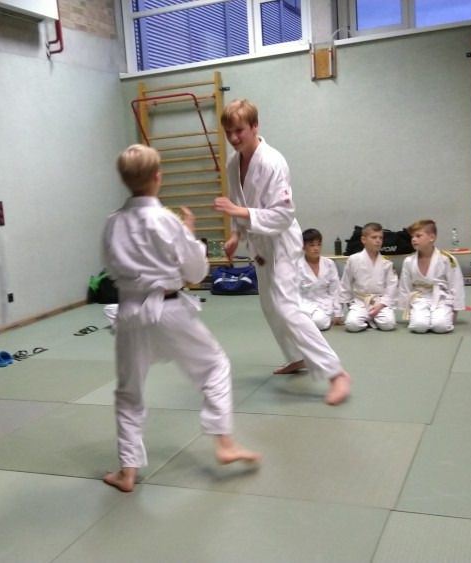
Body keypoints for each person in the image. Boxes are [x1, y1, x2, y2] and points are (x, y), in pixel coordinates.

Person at [101, 144, 260, 493]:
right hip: (169, 309)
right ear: (158, 177)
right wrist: (187, 232)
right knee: (215, 367)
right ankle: (224, 442)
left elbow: (110, 266)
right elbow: (196, 271)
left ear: (124, 180)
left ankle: (127, 471)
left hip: (130, 313)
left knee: (128, 392)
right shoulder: (166, 221)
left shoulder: (113, 222)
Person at [212, 99, 351, 405]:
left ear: (255, 126)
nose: (233, 138)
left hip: (282, 244)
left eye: (239, 130)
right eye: (228, 132)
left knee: (287, 307)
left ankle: (336, 373)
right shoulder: (233, 163)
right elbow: (240, 205)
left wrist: (239, 213)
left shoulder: (273, 162)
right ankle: (297, 356)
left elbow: (283, 215)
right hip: (260, 245)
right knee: (269, 306)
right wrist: (236, 235)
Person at [398, 219, 465, 334]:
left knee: (440, 326)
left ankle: (439, 316)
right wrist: (406, 308)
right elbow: (405, 286)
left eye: (418, 236)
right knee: (419, 326)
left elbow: (456, 284)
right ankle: (422, 317)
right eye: (412, 236)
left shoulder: (446, 259)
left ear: (432, 238)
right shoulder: (409, 261)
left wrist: (455, 310)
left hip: (441, 299)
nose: (413, 239)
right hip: (419, 298)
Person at [340, 222, 398, 332]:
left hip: (379, 301)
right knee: (352, 325)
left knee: (389, 324)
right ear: (363, 239)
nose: (378, 241)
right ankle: (368, 321)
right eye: (374, 237)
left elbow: (391, 286)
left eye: (380, 238)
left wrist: (382, 304)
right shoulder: (353, 259)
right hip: (360, 301)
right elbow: (345, 284)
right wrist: (341, 310)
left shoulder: (386, 262)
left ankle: (369, 320)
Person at [299, 228, 343, 331]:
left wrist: (338, 313)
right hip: (304, 304)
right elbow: (293, 292)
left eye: (319, 245)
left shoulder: (329, 264)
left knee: (319, 322)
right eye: (312, 245)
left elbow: (335, 290)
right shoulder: (297, 266)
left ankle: (320, 320)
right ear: (303, 246)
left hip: (324, 304)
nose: (316, 248)